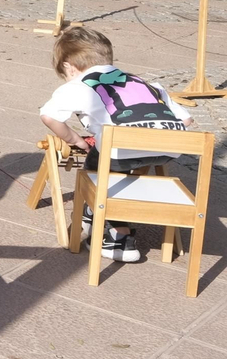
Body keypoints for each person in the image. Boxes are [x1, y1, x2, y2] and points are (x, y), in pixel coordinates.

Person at [39, 26, 194, 262]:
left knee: (98, 170)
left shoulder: (78, 84)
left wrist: (76, 140)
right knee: (122, 159)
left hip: (118, 149)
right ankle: (96, 212)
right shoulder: (145, 82)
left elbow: (49, 117)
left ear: (69, 67)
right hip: (169, 149)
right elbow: (186, 119)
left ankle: (117, 235)